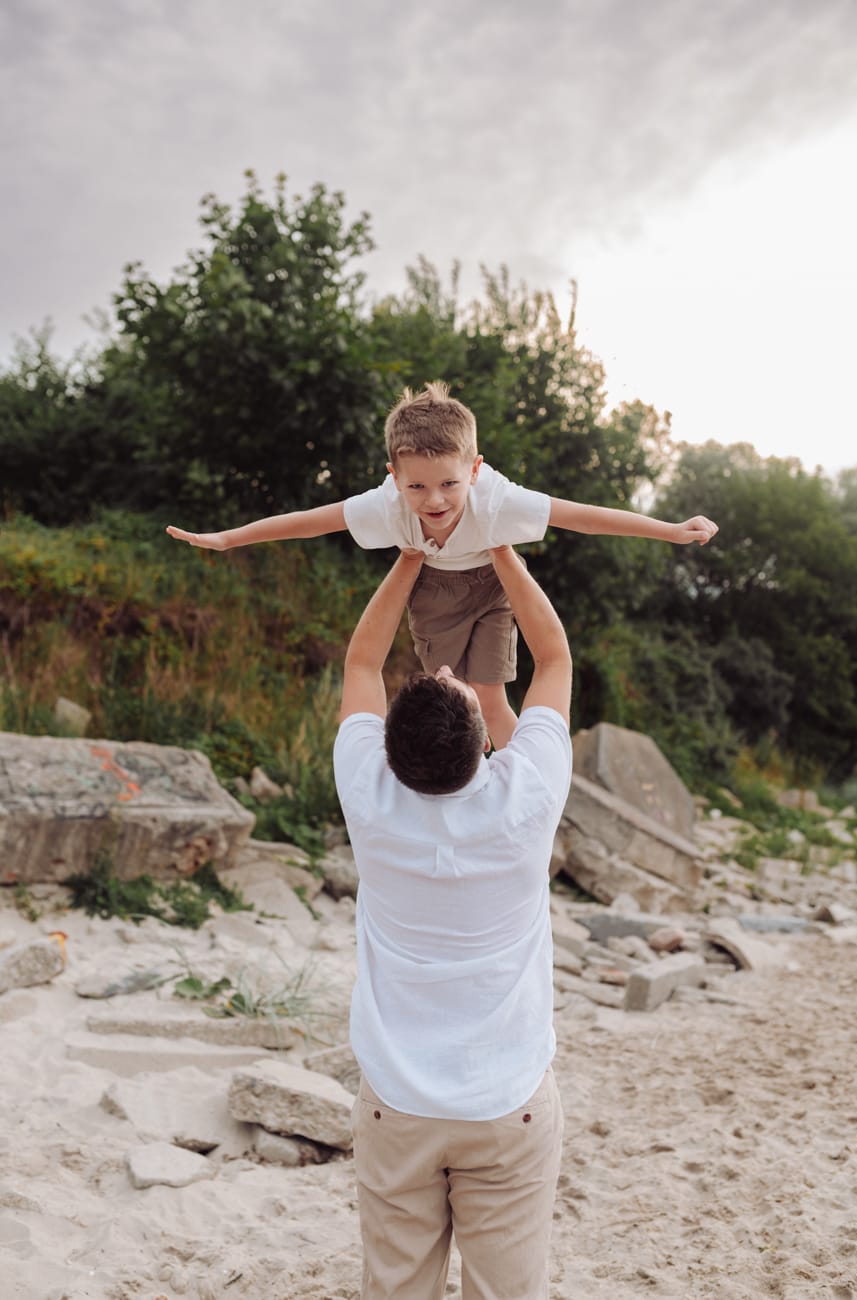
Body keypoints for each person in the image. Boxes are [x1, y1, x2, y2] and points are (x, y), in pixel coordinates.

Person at [167, 381, 718, 749]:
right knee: (447, 694)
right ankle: (451, 775)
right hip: (432, 589)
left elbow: (581, 517)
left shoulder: (499, 501)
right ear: (393, 475)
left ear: (474, 469)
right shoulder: (385, 504)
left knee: (492, 695)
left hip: (494, 584)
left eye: (450, 483)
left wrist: (667, 530)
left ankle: (523, 782)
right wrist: (229, 539)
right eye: (417, 487)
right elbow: (311, 520)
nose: (434, 501)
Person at [334, 541, 573, 1300]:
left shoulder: (369, 798)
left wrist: (407, 557)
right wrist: (499, 545)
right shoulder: (525, 797)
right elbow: (554, 657)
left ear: (389, 750)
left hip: (397, 1105)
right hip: (506, 1107)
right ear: (482, 745)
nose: (448, 673)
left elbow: (361, 665)